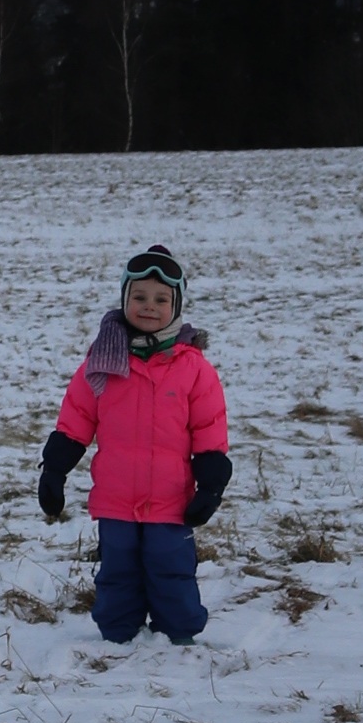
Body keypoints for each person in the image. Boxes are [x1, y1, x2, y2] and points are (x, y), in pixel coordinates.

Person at [37, 240, 231, 643]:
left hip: (171, 499)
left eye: (161, 299)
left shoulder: (193, 368)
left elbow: (209, 429)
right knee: (118, 568)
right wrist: (55, 470)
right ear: (125, 299)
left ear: (176, 306)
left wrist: (211, 486)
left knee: (171, 566)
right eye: (139, 297)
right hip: (116, 496)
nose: (149, 306)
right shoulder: (103, 361)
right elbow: (76, 418)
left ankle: (177, 635)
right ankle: (118, 634)